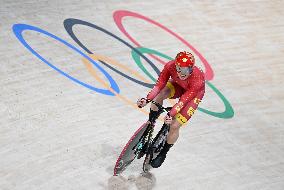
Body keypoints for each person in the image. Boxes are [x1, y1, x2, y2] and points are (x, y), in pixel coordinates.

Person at [136, 51, 205, 168]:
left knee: (174, 125)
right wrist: (147, 99)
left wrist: (171, 114)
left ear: (191, 69)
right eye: (178, 68)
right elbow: (159, 84)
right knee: (160, 94)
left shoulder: (197, 78)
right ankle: (150, 124)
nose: (181, 73)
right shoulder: (169, 66)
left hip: (193, 95)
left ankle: (163, 153)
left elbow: (183, 100)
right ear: (175, 65)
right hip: (178, 85)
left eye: (185, 70)